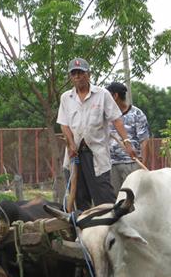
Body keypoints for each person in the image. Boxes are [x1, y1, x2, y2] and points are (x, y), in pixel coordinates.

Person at [57, 58, 136, 210]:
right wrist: (71, 143)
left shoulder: (102, 94)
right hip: (75, 154)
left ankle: (113, 230)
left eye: (81, 73)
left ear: (88, 75)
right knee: (79, 199)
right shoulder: (66, 98)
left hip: (96, 154)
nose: (77, 76)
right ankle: (83, 231)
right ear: (70, 77)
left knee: (104, 198)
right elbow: (64, 124)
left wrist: (126, 141)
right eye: (74, 73)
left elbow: (117, 119)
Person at [105, 82, 150, 191]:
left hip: (131, 164)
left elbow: (144, 141)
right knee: (115, 201)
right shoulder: (106, 115)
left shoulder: (137, 114)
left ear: (115, 96)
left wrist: (142, 167)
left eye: (108, 95)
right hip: (111, 164)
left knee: (132, 198)